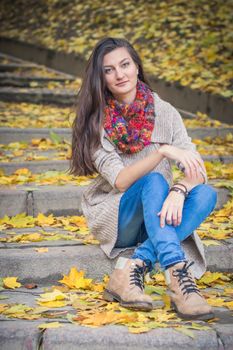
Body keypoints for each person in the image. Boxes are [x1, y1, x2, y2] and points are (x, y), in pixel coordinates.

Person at [70, 37, 217, 320]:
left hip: (160, 211)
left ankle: (135, 265)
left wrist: (179, 189)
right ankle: (178, 278)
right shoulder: (96, 122)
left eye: (125, 64)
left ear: (137, 66)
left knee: (206, 194)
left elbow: (197, 169)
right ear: (100, 78)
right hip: (118, 214)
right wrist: (162, 152)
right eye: (109, 70)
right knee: (153, 181)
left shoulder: (167, 113)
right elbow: (121, 180)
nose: (120, 74)